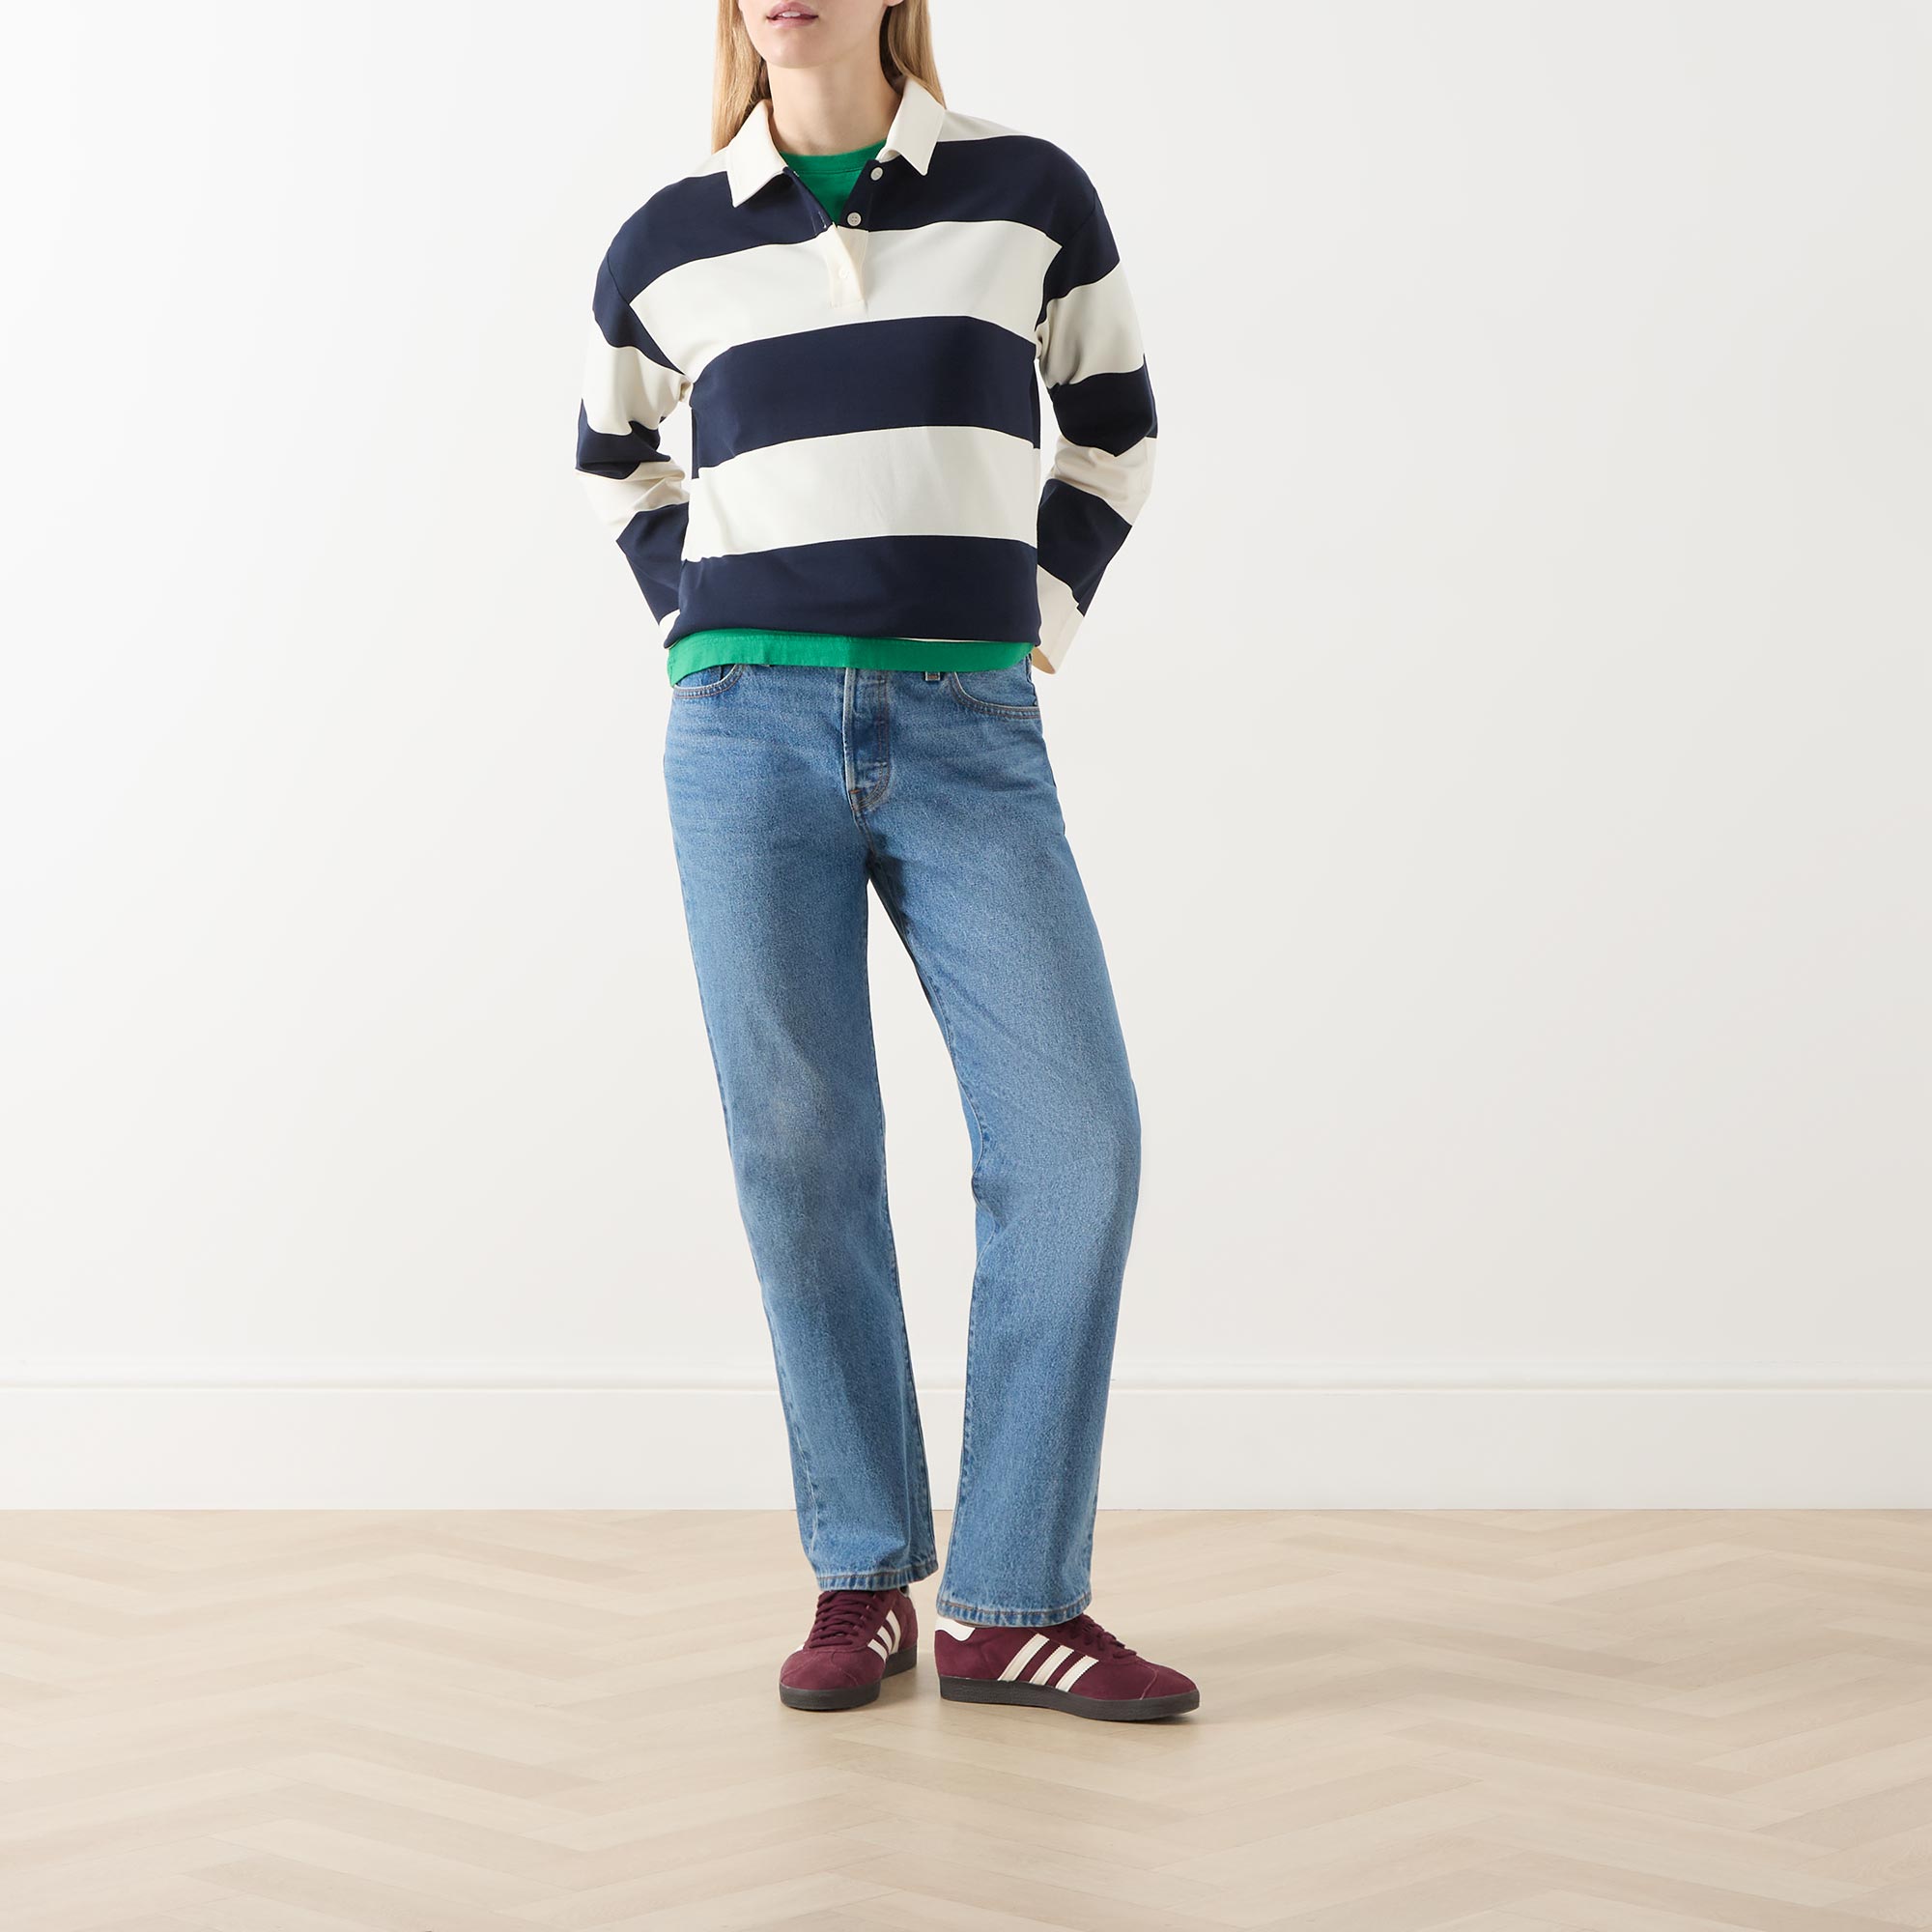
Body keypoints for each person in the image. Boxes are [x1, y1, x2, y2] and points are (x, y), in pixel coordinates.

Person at [574, 0, 1196, 1722]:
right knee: (804, 1153)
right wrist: (699, 623)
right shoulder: (666, 241)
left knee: (1074, 1143)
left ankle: (1010, 1605)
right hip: (744, 739)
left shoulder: (1029, 194)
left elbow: (1118, 433)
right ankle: (861, 1575)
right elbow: (616, 462)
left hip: (970, 733)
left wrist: (1036, 612)